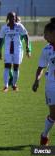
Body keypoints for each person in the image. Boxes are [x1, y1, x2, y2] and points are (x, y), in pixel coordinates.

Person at [32, 17, 55, 146]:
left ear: (53, 32)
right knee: (53, 115)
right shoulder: (46, 50)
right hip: (52, 85)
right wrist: (37, 81)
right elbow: (40, 68)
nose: (44, 37)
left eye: (46, 34)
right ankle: (44, 135)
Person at [0, 12, 31, 92]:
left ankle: (14, 85)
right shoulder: (4, 28)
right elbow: (0, 40)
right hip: (7, 51)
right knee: (7, 67)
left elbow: (26, 36)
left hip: (17, 50)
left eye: (13, 17)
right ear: (8, 18)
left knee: (16, 68)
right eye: (10, 17)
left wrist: (28, 48)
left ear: (15, 18)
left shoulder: (19, 26)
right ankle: (5, 86)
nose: (12, 18)